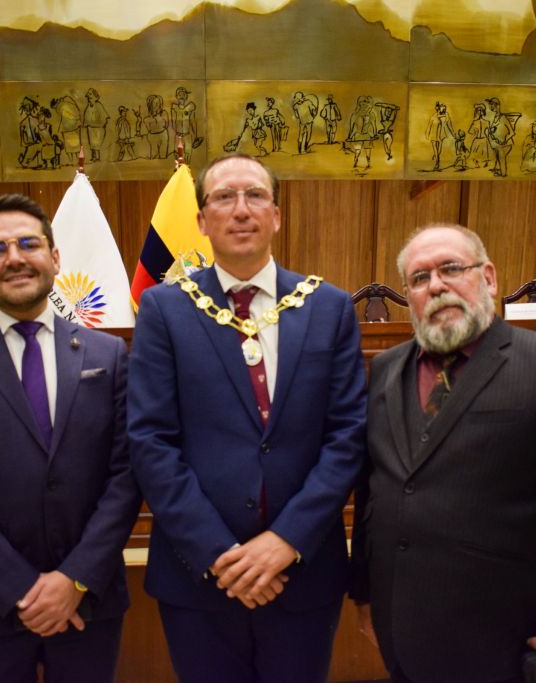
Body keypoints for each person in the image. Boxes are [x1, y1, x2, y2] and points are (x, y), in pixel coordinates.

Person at [128, 153, 367, 683]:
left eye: (255, 195)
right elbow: (150, 441)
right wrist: (219, 554)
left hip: (302, 571)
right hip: (200, 574)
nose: (241, 210)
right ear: (201, 221)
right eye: (223, 197)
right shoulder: (165, 311)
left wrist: (286, 541)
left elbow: (347, 435)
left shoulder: (328, 307)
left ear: (277, 216)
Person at [351, 224, 536, 683]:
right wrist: (364, 595)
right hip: (402, 633)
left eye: (451, 268)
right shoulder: (385, 369)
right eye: (419, 278)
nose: (436, 285)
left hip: (503, 644)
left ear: (489, 278)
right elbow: (373, 491)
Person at [0, 194, 141, 683]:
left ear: (54, 258)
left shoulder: (110, 355)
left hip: (89, 606)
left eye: (28, 244)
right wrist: (21, 588)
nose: (14, 258)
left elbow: (125, 476)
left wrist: (74, 580)